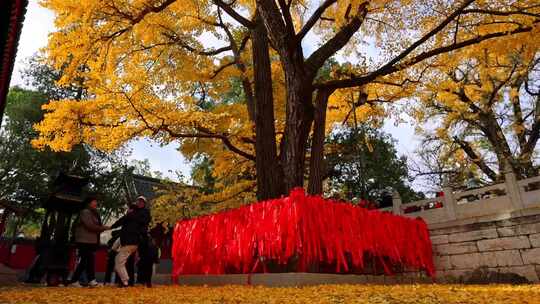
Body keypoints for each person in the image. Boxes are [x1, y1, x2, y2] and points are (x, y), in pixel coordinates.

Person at [69, 196, 110, 287]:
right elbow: (90, 226)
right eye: (94, 201)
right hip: (84, 241)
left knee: (89, 260)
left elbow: (94, 226)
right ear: (89, 203)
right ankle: (74, 280)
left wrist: (101, 228)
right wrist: (103, 228)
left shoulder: (93, 213)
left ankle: (91, 280)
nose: (96, 203)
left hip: (90, 241)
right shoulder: (85, 212)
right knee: (85, 261)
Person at [112, 196, 151, 287]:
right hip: (129, 239)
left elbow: (144, 221)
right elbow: (122, 221)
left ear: (144, 204)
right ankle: (127, 281)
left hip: (139, 239)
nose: (139, 203)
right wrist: (111, 227)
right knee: (127, 262)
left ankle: (143, 281)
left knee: (143, 262)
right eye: (138, 201)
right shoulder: (132, 212)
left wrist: (132, 214)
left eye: (142, 202)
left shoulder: (145, 212)